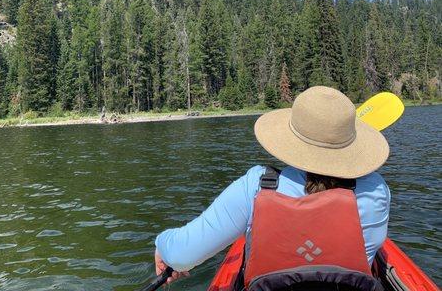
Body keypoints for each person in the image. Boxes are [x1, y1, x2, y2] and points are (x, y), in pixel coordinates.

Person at [154, 86, 391, 289]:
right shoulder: (377, 191)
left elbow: (180, 255)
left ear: (291, 138)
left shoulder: (257, 186)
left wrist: (162, 245)